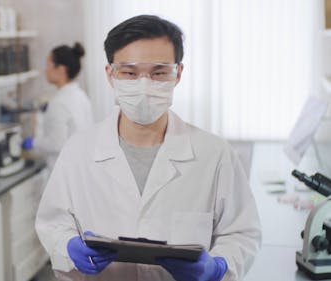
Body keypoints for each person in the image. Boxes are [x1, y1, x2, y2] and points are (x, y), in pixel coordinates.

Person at [35, 15, 261, 281]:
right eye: (130, 72)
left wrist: (219, 266)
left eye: (159, 72)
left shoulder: (215, 154)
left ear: (178, 73)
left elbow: (241, 233)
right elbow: (53, 223)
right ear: (111, 74)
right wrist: (67, 246)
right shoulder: (78, 152)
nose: (144, 85)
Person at [23, 42, 94, 169]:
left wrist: (33, 142)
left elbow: (57, 143)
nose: (45, 70)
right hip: (82, 167)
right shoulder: (80, 96)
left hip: (66, 172)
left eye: (48, 65)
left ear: (61, 69)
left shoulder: (59, 103)